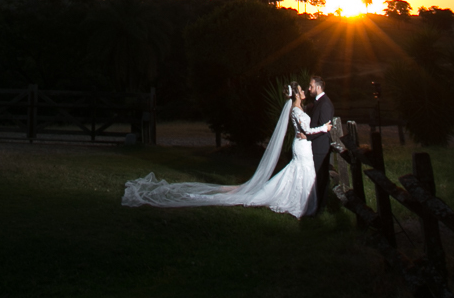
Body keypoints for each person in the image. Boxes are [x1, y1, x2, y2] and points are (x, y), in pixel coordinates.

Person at [121, 83, 317, 217]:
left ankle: (298, 198)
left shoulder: (297, 109)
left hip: (302, 144)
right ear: (295, 94)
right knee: (296, 171)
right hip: (302, 145)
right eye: (301, 90)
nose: (303, 92)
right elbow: (305, 129)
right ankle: (294, 199)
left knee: (295, 172)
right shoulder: (297, 110)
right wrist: (323, 129)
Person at [303, 75, 335, 213]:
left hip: (321, 147)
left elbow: (324, 129)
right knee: (317, 178)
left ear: (318, 87)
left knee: (321, 178)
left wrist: (307, 136)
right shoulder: (318, 102)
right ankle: (316, 205)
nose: (309, 89)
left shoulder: (325, 104)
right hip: (316, 146)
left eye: (311, 86)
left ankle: (319, 208)